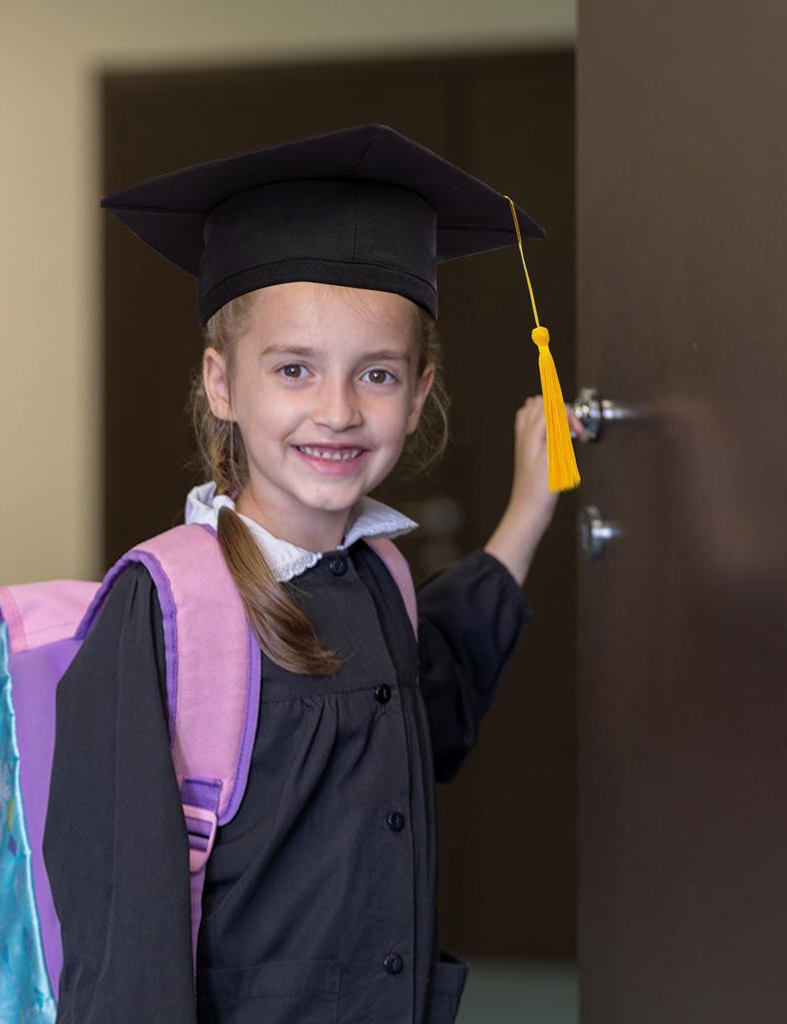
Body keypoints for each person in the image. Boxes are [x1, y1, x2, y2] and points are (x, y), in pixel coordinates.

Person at [43, 124, 584, 1024]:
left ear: (417, 396)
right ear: (222, 384)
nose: (336, 411)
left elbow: (430, 716)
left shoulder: (380, 579)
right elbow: (121, 937)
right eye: (294, 368)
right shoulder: (164, 606)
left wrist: (526, 514)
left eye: (376, 374)